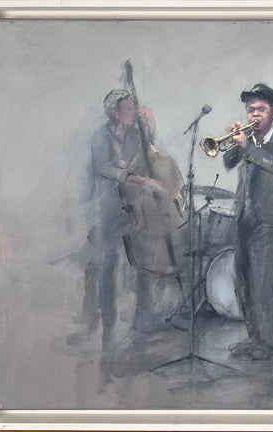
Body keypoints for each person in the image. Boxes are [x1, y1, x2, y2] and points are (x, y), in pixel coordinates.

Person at [85, 89, 184, 353]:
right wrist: (136, 179)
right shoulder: (100, 137)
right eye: (129, 108)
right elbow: (105, 168)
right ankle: (107, 321)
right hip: (109, 210)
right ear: (115, 114)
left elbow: (150, 154)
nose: (134, 112)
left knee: (142, 263)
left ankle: (143, 323)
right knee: (107, 264)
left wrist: (151, 123)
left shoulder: (134, 136)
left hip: (134, 210)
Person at [223, 83, 273, 360]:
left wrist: (249, 148)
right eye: (250, 109)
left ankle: (268, 342)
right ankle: (254, 338)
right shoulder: (249, 141)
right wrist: (237, 142)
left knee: (266, 285)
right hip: (246, 221)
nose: (254, 114)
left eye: (261, 109)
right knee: (244, 282)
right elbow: (228, 162)